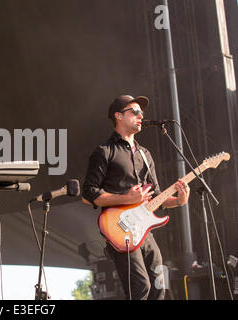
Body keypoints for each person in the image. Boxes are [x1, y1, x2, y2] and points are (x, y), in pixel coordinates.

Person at [81, 95, 190, 300]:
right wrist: (126, 198)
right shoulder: (104, 152)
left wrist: (178, 201)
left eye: (142, 112)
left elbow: (156, 196)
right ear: (119, 116)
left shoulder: (145, 154)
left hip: (143, 229)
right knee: (140, 289)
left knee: (159, 285)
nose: (141, 116)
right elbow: (88, 193)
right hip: (120, 228)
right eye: (135, 111)